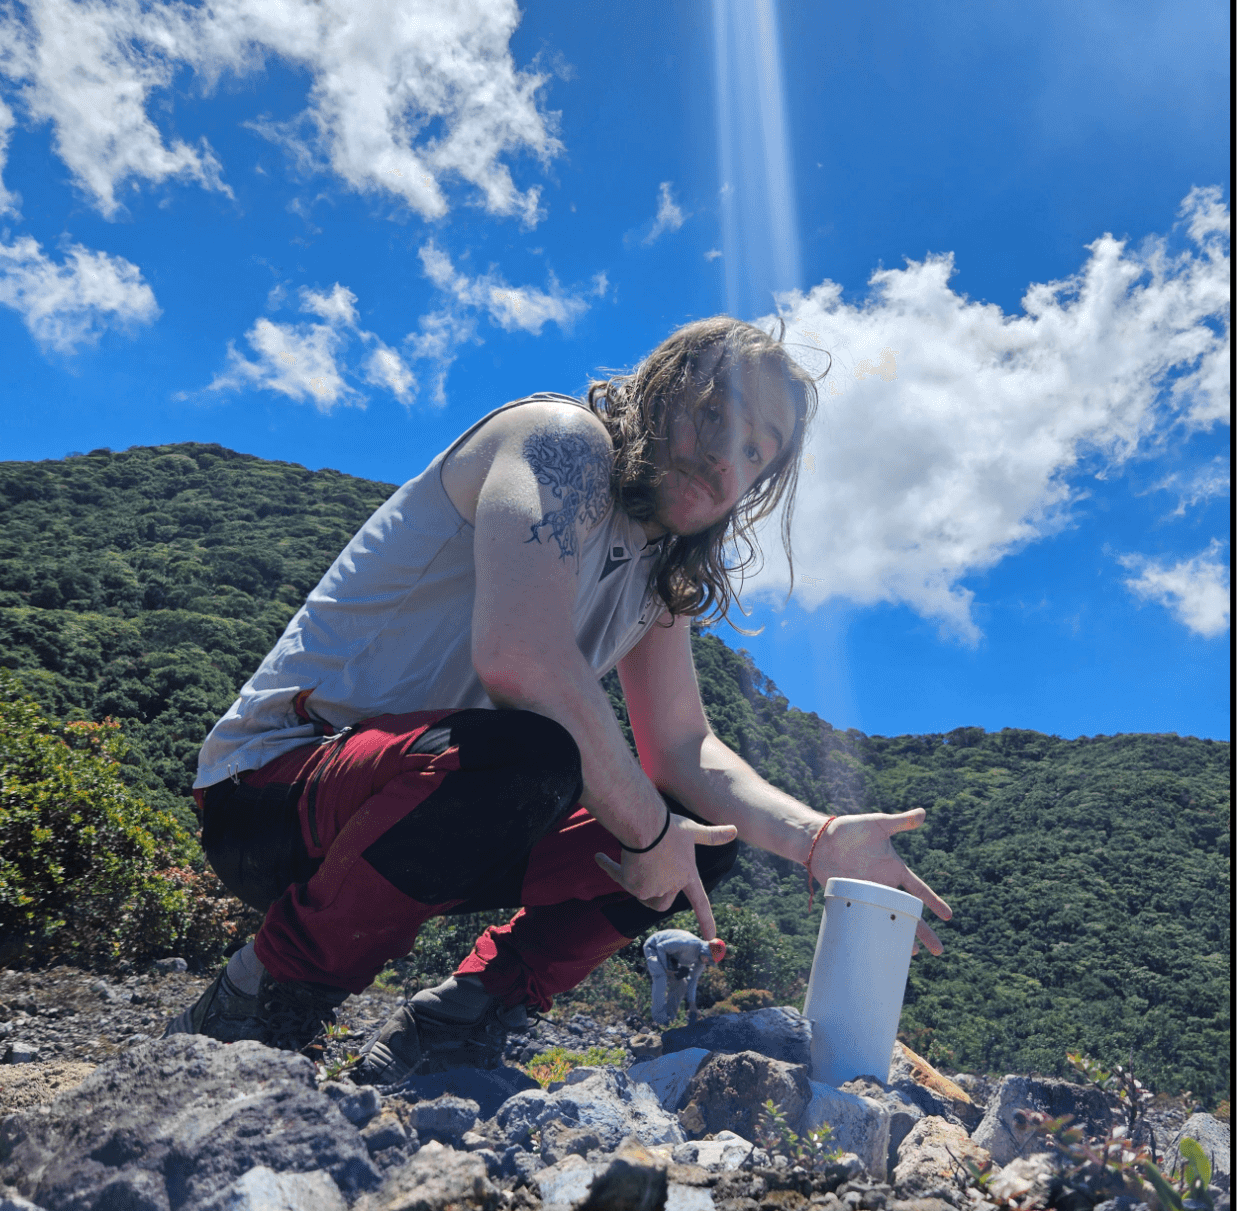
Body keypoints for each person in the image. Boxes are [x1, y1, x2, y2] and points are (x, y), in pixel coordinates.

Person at [161, 317, 953, 1084]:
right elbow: (522, 659)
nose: (724, 455)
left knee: (701, 837)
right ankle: (262, 998)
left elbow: (683, 749)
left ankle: (459, 1021)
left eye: (754, 449)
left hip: (427, 818)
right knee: (539, 756)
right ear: (659, 390)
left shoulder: (660, 575)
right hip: (272, 793)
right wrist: (648, 833)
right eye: (714, 413)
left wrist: (817, 840)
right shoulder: (560, 442)